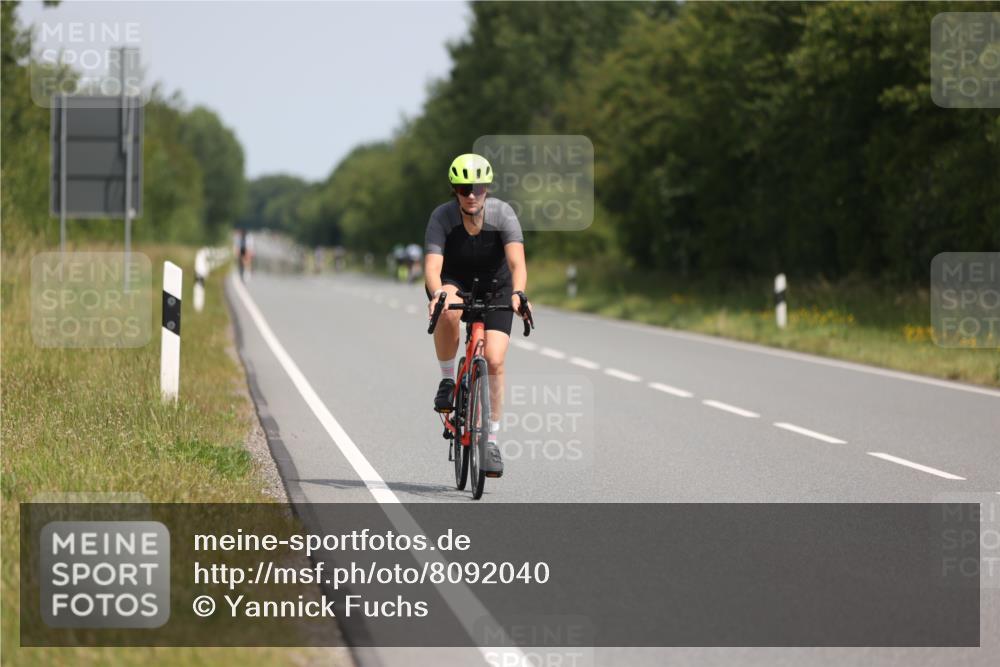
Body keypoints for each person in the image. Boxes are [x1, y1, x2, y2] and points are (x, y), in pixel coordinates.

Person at [424, 153, 531, 475]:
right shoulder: (442, 217)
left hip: (497, 286)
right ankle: (447, 380)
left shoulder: (503, 214)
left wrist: (518, 293)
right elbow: (432, 268)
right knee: (447, 312)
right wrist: (438, 292)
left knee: (495, 361)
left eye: (478, 187)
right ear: (454, 189)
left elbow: (517, 264)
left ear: (487, 188)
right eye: (463, 188)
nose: (471, 194)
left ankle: (492, 440)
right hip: (454, 283)